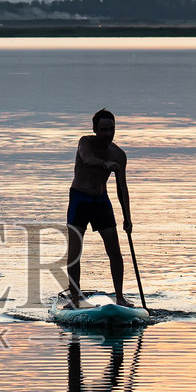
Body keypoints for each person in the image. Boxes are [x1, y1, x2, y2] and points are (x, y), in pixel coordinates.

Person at [65, 108, 134, 307]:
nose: (107, 134)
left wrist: (127, 218)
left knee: (114, 251)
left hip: (101, 201)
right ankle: (75, 299)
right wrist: (106, 165)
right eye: (103, 130)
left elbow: (122, 189)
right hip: (79, 200)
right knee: (75, 252)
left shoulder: (119, 155)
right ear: (95, 129)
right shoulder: (85, 142)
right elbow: (87, 159)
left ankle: (120, 297)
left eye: (111, 129)